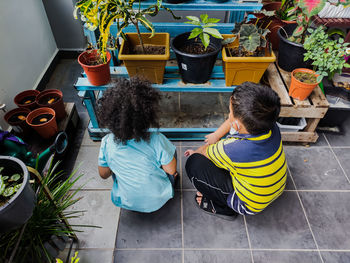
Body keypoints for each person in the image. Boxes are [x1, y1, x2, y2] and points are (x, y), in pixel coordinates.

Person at [184, 82, 287, 220]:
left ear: (237, 124)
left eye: (230, 112)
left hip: (248, 204)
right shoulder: (270, 126)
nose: (229, 114)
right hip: (274, 186)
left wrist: (195, 153)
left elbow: (204, 153)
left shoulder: (233, 148)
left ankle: (223, 208)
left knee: (194, 164)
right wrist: (216, 135)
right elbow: (234, 123)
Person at [97, 77, 178, 213]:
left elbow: (103, 174)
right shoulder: (156, 139)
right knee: (170, 152)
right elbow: (171, 170)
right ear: (147, 116)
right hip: (158, 200)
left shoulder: (106, 142)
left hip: (127, 201)